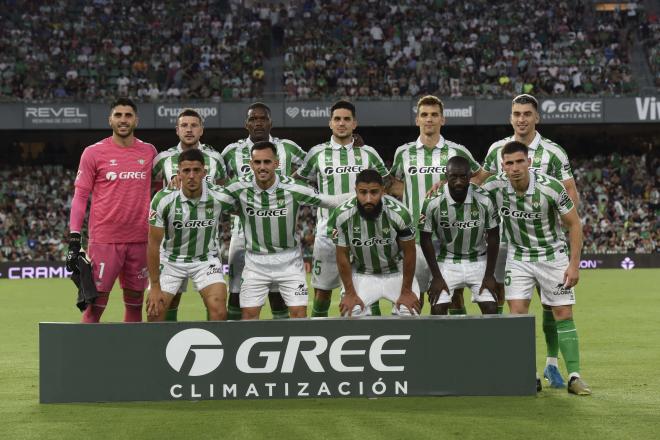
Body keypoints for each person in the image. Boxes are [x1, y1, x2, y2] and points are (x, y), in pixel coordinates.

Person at [482, 94, 579, 388]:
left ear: (536, 117)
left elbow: (570, 197)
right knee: (512, 307)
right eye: (516, 114)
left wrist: (566, 242)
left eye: (527, 113)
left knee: (554, 307)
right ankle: (519, 367)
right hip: (512, 244)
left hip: (549, 243)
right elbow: (479, 182)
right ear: (511, 117)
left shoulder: (554, 153)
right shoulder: (497, 149)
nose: (521, 119)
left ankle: (552, 363)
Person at [223, 141, 350, 319]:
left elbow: (331, 201)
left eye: (267, 162)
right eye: (257, 162)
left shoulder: (293, 187)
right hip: (254, 262)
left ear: (276, 164)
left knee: (299, 316)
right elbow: (213, 200)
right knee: (249, 319)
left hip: (289, 261)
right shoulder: (238, 187)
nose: (262, 167)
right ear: (251, 164)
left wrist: (361, 194)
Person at [390, 95, 488, 315]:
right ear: (417, 120)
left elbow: (480, 176)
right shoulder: (403, 152)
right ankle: (420, 345)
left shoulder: (457, 151)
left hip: (450, 238)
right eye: (424, 115)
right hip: (414, 237)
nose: (429, 119)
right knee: (415, 297)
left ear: (442, 120)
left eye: (434, 115)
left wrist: (454, 183)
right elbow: (392, 185)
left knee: (453, 297)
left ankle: (455, 346)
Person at [294, 100, 389, 317]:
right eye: (337, 119)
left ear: (354, 123)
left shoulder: (368, 153)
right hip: (328, 234)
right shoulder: (317, 153)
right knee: (322, 294)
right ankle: (319, 338)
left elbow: (387, 182)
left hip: (366, 234)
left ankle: (375, 336)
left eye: (347, 119)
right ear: (330, 123)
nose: (342, 123)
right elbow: (298, 180)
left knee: (369, 292)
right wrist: (318, 199)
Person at [66, 97, 157, 322]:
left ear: (136, 120)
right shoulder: (93, 152)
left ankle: (131, 356)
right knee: (95, 306)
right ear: (110, 120)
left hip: (140, 240)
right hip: (105, 241)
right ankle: (85, 356)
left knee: (135, 303)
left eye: (128, 115)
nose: (123, 120)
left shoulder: (149, 152)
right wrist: (74, 237)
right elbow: (80, 196)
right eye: (118, 115)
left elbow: (161, 192)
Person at [222, 102, 306, 320]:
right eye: (253, 119)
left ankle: (281, 342)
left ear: (271, 122)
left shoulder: (288, 148)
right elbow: (216, 179)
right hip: (242, 233)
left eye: (262, 118)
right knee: (235, 292)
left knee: (277, 295)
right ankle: (235, 340)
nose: (258, 122)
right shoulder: (232, 151)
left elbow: (313, 167)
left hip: (279, 234)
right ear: (246, 124)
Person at [152, 108, 228, 321]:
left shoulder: (215, 158)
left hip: (206, 245)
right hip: (172, 246)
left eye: (194, 125)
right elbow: (147, 189)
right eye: (184, 125)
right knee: (170, 301)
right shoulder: (163, 159)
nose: (189, 129)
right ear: (177, 130)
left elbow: (223, 190)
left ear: (201, 130)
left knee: (214, 302)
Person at [330, 169, 421, 317]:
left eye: (374, 192)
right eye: (362, 192)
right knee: (351, 312)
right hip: (362, 272)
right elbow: (342, 257)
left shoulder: (400, 213)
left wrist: (406, 291)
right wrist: (350, 293)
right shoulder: (342, 215)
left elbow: (410, 252)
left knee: (409, 312)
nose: (368, 199)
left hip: (395, 272)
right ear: (356, 191)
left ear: (383, 191)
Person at [419, 156, 499, 315]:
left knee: (491, 308)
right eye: (453, 176)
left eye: (463, 176)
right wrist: (436, 276)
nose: (458, 181)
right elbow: (425, 239)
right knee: (437, 308)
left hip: (478, 260)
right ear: (446, 176)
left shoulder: (484, 198)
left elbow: (494, 236)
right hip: (446, 261)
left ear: (470, 175)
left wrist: (489, 275)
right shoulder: (432, 201)